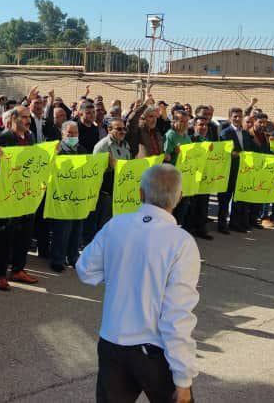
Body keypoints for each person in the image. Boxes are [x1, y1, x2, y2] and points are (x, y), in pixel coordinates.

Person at [76, 164, 199, 403]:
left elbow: (85, 270)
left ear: (140, 193)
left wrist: (118, 270)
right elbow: (177, 314)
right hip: (154, 352)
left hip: (112, 343)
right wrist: (183, 377)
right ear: (179, 198)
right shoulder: (181, 242)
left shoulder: (116, 224)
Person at [0, 107, 40, 291]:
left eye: (29, 117)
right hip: (8, 196)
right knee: (4, 236)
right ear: (13, 118)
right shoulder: (0, 138)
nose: (28, 121)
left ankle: (18, 269)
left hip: (26, 194)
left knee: (24, 234)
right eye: (24, 117)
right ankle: (0, 274)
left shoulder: (31, 137)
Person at [47, 121, 89, 272]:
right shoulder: (58, 150)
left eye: (75, 133)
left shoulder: (82, 149)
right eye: (69, 133)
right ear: (63, 134)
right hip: (62, 196)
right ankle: (58, 259)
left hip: (78, 196)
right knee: (62, 229)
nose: (72, 136)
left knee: (77, 229)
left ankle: (73, 257)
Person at [219, 107, 258, 233]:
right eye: (235, 116)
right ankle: (222, 225)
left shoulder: (246, 134)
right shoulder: (225, 133)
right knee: (225, 199)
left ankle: (235, 223)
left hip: (243, 171)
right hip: (229, 171)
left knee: (239, 198)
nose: (237, 119)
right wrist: (232, 154)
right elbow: (224, 152)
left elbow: (251, 150)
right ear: (230, 117)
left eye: (239, 116)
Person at [185, 116, 214, 240]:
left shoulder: (209, 140)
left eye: (205, 125)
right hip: (193, 176)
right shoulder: (191, 139)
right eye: (200, 125)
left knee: (204, 203)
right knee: (192, 204)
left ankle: (201, 229)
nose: (203, 127)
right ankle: (189, 229)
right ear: (195, 126)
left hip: (205, 177)